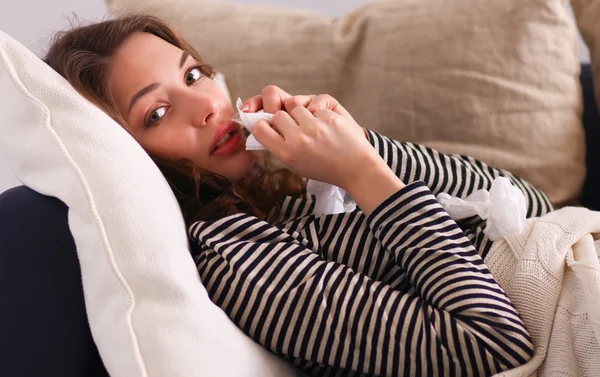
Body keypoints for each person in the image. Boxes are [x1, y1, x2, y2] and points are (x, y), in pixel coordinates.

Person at [45, 14, 553, 377]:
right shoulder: (239, 263)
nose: (203, 104)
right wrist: (362, 173)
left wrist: (360, 145)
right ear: (122, 152)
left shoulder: (294, 194)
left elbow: (531, 207)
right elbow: (495, 348)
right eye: (156, 113)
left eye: (193, 73)